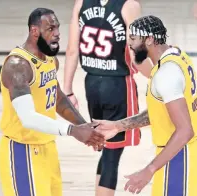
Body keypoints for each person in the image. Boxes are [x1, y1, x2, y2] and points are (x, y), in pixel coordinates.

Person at [93, 15, 197, 195]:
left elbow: (185, 130)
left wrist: (149, 170)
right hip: (183, 151)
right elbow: (161, 112)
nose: (128, 43)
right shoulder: (176, 55)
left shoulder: (166, 74)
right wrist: (118, 125)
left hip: (180, 156)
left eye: (133, 38)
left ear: (150, 39)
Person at [0, 8, 105, 196]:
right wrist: (73, 131)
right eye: (50, 29)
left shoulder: (50, 60)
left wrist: (85, 127)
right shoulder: (18, 66)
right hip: (22, 150)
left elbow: (57, 98)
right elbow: (28, 118)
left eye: (57, 28)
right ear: (34, 31)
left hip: (47, 148)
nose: (57, 34)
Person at [63, 0, 145, 195]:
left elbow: (72, 50)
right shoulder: (129, 5)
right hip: (117, 85)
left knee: (108, 148)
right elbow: (136, 53)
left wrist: (67, 90)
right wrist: (157, 73)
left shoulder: (81, 3)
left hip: (91, 84)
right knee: (112, 155)